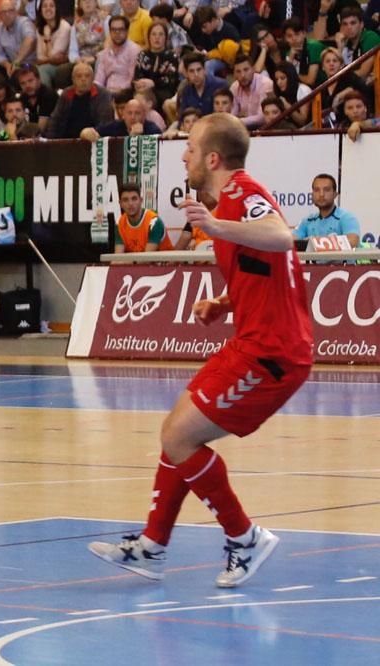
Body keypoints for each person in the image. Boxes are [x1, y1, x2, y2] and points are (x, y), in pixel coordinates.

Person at [89, 113, 313, 588]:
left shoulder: (240, 195)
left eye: (190, 147)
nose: (184, 155)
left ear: (212, 158)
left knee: (178, 437)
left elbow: (280, 236)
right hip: (253, 343)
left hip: (272, 354)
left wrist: (215, 224)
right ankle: (152, 546)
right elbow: (266, 269)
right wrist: (224, 301)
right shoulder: (231, 200)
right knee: (176, 434)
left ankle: (244, 538)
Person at [47, 62, 114, 138]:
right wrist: (50, 141)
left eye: (87, 76)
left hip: (93, 140)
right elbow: (55, 119)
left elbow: (105, 123)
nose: (83, 79)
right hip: (66, 140)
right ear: (73, 79)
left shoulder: (103, 95)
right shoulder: (66, 94)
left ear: (92, 79)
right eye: (79, 76)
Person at [293, 173, 361, 247]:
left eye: (326, 190)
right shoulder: (307, 221)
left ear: (335, 194)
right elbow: (291, 242)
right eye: (316, 190)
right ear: (312, 194)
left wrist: (316, 242)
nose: (321, 194)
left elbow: (353, 241)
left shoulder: (347, 218)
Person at [112, 183, 172, 252]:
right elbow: (118, 256)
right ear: (120, 204)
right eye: (125, 200)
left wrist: (122, 262)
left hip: (163, 262)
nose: (130, 203)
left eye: (134, 199)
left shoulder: (154, 222)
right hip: (135, 262)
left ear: (141, 201)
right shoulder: (120, 223)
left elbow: (146, 258)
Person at [94, 15, 140, 94]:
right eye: (114, 30)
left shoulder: (135, 51)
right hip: (106, 93)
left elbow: (132, 80)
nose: (117, 33)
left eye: (120, 29)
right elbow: (99, 80)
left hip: (125, 93)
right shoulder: (105, 52)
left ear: (127, 31)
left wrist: (118, 91)